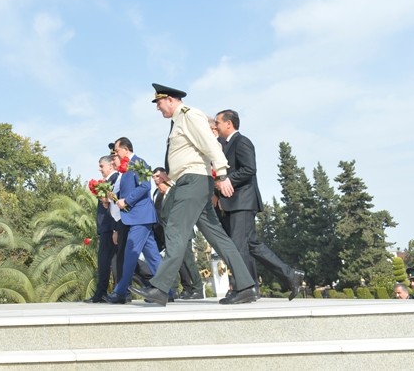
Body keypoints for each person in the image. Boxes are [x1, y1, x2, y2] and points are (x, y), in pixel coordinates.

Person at [130, 83, 257, 306]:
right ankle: (246, 285)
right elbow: (187, 155)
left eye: (159, 103)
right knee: (217, 236)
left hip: (194, 181)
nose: (158, 108)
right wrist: (168, 177)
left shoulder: (190, 115)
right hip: (190, 180)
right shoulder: (178, 121)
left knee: (176, 231)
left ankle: (160, 288)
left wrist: (222, 174)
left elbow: (210, 144)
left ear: (170, 99)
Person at [213, 110, 304, 300]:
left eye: (218, 122)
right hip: (233, 202)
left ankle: (242, 289)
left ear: (229, 124)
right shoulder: (226, 144)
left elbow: (249, 169)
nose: (216, 125)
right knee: (253, 245)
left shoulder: (241, 141)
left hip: (243, 202)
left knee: (238, 247)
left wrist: (227, 180)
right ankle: (290, 275)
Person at [105, 138, 160, 303]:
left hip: (140, 217)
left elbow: (145, 186)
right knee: (153, 256)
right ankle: (168, 290)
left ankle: (120, 291)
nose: (116, 153)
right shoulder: (126, 168)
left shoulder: (139, 162)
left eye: (117, 150)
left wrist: (126, 200)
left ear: (125, 149)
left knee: (130, 252)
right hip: (136, 217)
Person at [152, 167, 203, 300]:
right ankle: (172, 290)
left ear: (164, 177)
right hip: (167, 233)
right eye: (154, 177)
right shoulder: (156, 194)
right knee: (174, 261)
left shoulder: (175, 191)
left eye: (158, 176)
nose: (155, 180)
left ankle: (198, 288)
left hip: (182, 232)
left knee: (188, 261)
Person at [85, 155, 118, 303]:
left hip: (110, 226)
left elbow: (115, 201)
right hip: (106, 227)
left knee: (106, 260)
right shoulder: (107, 181)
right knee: (110, 260)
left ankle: (102, 293)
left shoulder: (116, 178)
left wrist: (115, 229)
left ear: (110, 165)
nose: (99, 169)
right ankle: (109, 292)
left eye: (101, 166)